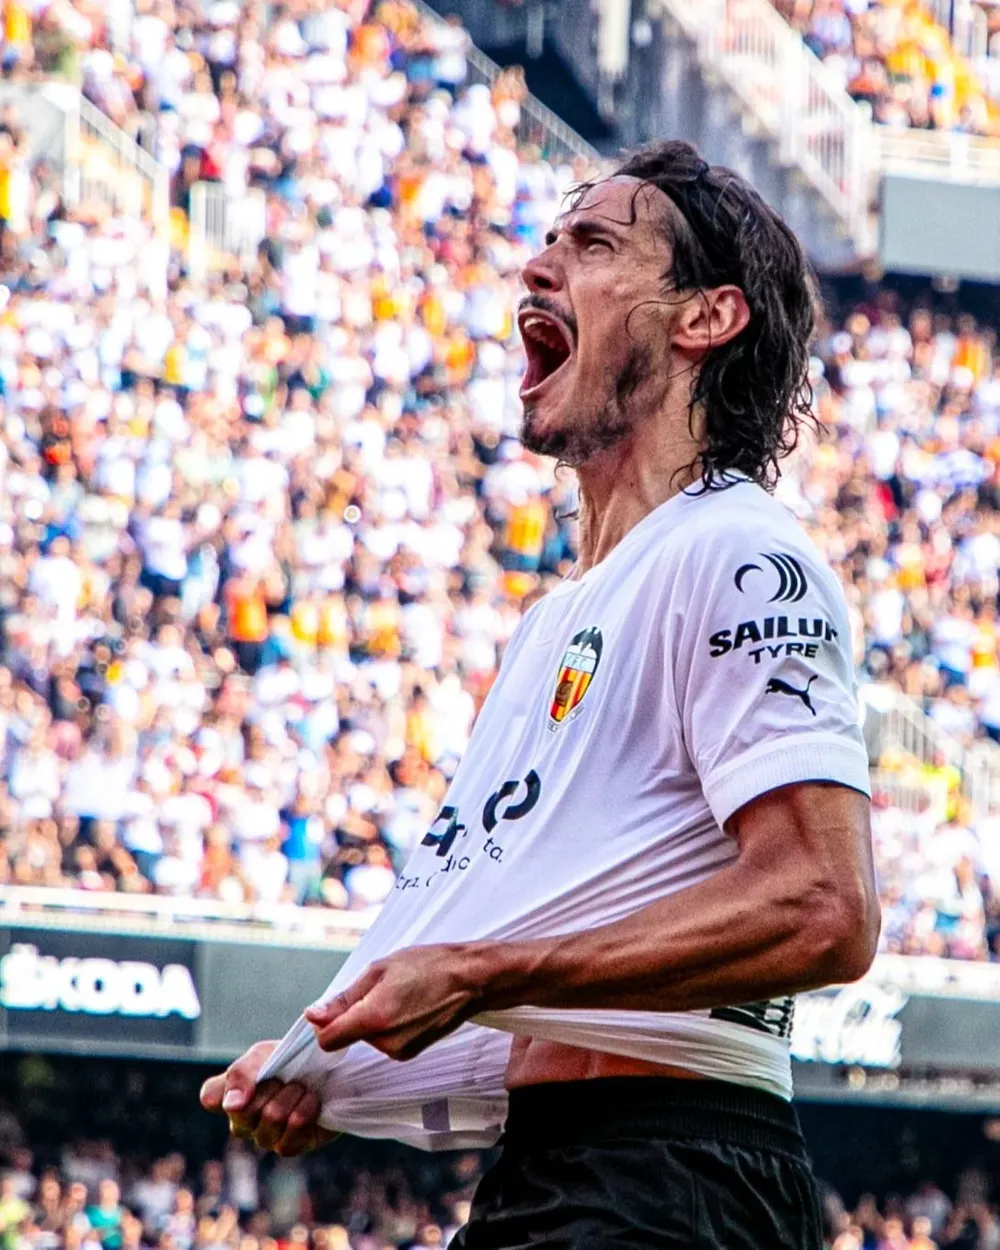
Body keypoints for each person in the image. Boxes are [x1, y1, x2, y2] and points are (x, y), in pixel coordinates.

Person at [201, 140, 879, 1249]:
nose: (537, 264)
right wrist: (333, 1061)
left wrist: (477, 970)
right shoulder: (550, 625)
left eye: (595, 243)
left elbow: (822, 906)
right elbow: (534, 976)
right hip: (553, 1161)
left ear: (704, 318)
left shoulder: (741, 550)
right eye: (551, 239)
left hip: (675, 1168)